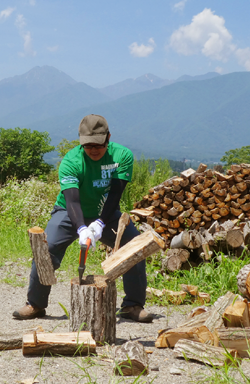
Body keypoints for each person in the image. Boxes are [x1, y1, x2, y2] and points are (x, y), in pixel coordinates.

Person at [13, 114, 154, 323]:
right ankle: (35, 304)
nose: (94, 150)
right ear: (81, 142)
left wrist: (99, 223)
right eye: (88, 146)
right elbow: (72, 200)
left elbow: (116, 194)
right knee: (47, 247)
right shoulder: (71, 161)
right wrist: (81, 227)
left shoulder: (121, 156)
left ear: (108, 138)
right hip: (69, 212)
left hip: (105, 211)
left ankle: (132, 305)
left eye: (98, 145)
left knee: (133, 245)